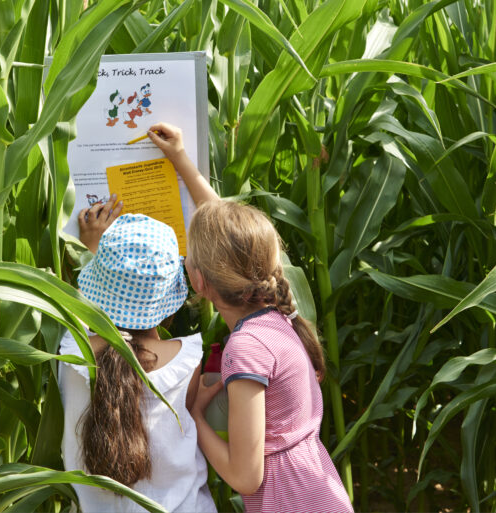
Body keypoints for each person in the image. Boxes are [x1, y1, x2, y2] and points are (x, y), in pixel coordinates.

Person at [147, 122, 354, 513]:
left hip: (288, 501)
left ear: (199, 281)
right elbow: (228, 237)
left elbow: (245, 478)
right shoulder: (276, 311)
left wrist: (193, 417)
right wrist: (179, 160)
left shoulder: (246, 348)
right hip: (316, 494)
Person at [58, 199, 216, 513]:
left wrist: (91, 249)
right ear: (168, 303)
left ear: (99, 287)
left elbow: (86, 315)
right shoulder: (187, 360)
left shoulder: (71, 353)